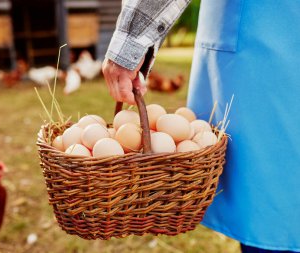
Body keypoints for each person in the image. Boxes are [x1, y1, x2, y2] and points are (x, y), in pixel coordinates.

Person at [102, 1, 300, 253]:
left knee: (277, 209)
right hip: (267, 39)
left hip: (269, 41)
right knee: (275, 203)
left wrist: (128, 44)